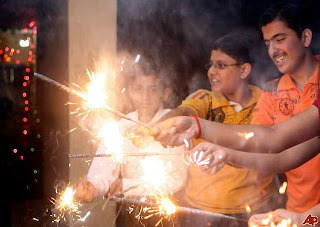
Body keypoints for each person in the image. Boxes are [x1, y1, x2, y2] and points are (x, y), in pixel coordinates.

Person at [151, 2, 320, 225]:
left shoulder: (260, 94)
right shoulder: (271, 92)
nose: (273, 50)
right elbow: (278, 152)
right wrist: (224, 152)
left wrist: (199, 127)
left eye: (280, 39)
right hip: (302, 212)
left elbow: (275, 142)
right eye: (268, 43)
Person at [146, 34, 276, 226]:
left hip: (254, 211)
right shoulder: (204, 99)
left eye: (221, 66)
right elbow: (183, 112)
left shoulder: (266, 101)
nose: (211, 72)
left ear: (244, 70)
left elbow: (272, 147)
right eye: (211, 65)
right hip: (199, 212)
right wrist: (162, 125)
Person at [74, 57, 186, 226]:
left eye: (153, 89)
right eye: (139, 89)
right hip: (132, 213)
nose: (146, 97)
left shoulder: (175, 123)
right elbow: (103, 170)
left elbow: (176, 179)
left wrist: (126, 185)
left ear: (166, 92)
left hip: (169, 212)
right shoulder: (121, 127)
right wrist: (93, 187)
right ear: (130, 91)